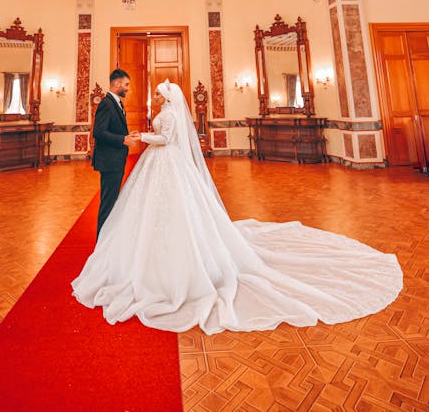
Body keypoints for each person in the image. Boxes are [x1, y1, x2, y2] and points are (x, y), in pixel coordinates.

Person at [73, 80, 403, 335]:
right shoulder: (165, 112)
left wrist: (143, 137)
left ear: (168, 98)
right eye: (157, 95)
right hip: (158, 164)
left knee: (180, 209)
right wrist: (144, 135)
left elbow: (169, 140)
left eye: (158, 94)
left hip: (167, 162)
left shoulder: (170, 114)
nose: (155, 98)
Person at [91, 69, 139, 237]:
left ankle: (108, 239)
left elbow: (112, 129)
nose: (127, 88)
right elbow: (98, 132)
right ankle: (102, 243)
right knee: (108, 203)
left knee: (112, 201)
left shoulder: (116, 103)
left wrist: (126, 135)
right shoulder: (106, 103)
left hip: (115, 159)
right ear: (117, 83)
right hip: (109, 161)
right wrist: (122, 140)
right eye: (126, 84)